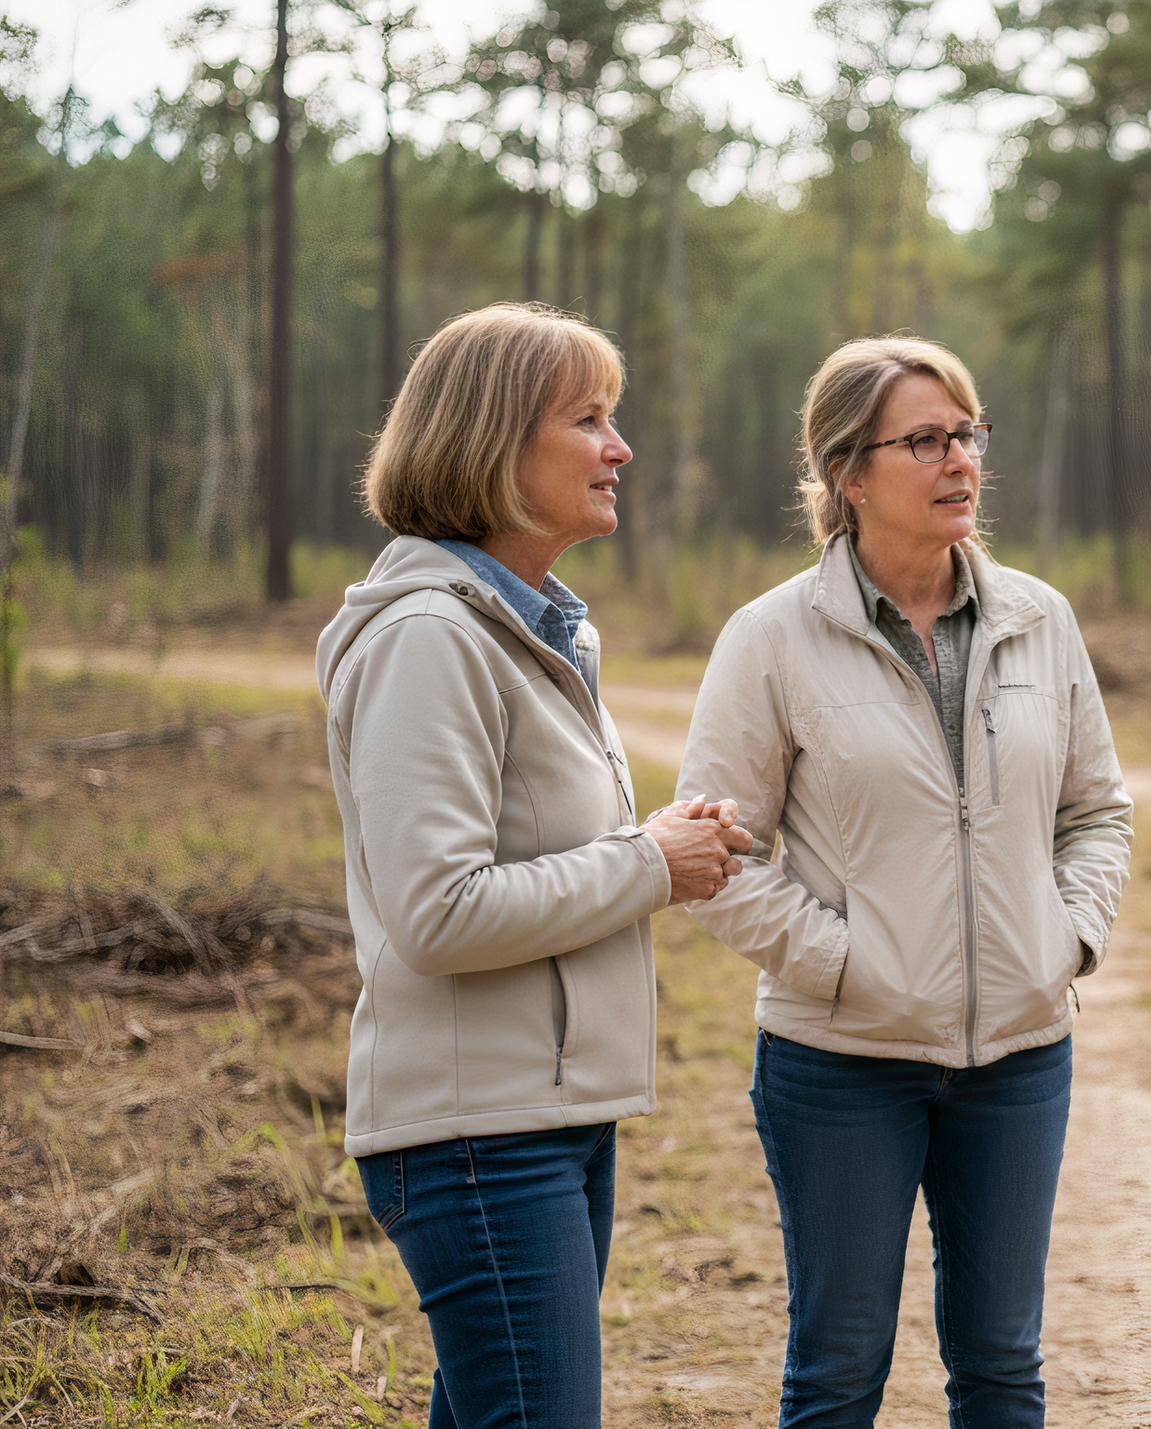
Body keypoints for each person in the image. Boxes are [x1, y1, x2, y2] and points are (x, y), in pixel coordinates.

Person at [674, 335, 1133, 1428]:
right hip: (840, 1064)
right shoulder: (770, 638)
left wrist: (1063, 939)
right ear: (848, 472)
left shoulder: (1039, 617)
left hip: (1021, 1059)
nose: (958, 461)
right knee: (837, 1372)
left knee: (1001, 1366)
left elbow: (1097, 810)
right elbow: (711, 854)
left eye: (966, 433)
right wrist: (842, 963)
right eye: (922, 440)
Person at [316, 302, 752, 1427]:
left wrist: (655, 845)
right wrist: (647, 861)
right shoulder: (432, 638)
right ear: (493, 444)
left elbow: (529, 855)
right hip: (476, 1137)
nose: (621, 448)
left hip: (545, 1117)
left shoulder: (531, 628)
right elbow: (439, 911)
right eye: (589, 420)